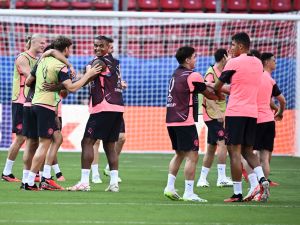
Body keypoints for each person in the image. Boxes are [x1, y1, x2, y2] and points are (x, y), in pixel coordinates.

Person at [24, 36, 101, 191]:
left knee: (54, 138)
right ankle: (31, 182)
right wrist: (88, 75)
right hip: (46, 106)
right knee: (44, 144)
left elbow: (28, 82)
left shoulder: (41, 61)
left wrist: (54, 87)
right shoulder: (61, 66)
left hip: (34, 104)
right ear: (66, 49)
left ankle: (41, 178)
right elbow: (71, 89)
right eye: (69, 49)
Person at [214, 32, 270, 202]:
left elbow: (218, 85)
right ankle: (262, 179)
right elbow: (241, 85)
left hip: (236, 111)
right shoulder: (258, 63)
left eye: (232, 45)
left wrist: (214, 90)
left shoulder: (234, 62)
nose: (230, 48)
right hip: (252, 113)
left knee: (234, 152)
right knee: (248, 150)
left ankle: (237, 193)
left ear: (240, 46)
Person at [163, 46, 222, 202]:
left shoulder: (175, 74)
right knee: (192, 155)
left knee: (179, 153)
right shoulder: (193, 75)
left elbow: (201, 86)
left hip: (171, 119)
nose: (196, 59)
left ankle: (169, 187)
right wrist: (219, 95)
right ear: (188, 59)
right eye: (194, 57)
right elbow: (207, 92)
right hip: (184, 120)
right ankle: (188, 193)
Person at [67, 36, 124, 192]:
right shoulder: (115, 62)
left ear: (108, 47)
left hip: (103, 107)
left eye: (101, 46)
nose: (97, 48)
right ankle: (113, 183)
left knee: (87, 142)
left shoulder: (99, 62)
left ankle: (85, 182)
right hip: (117, 107)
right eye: (95, 45)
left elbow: (87, 78)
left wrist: (69, 85)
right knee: (109, 145)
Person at [2, 34, 45, 182]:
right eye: (41, 43)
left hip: (32, 101)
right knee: (20, 138)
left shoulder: (37, 59)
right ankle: (7, 172)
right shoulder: (23, 58)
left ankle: (34, 172)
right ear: (33, 42)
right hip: (21, 101)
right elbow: (30, 77)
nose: (43, 45)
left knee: (34, 138)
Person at [92, 36, 126, 183]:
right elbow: (89, 77)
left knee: (121, 138)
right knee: (95, 141)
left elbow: (114, 79)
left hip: (115, 104)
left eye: (106, 46)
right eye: (97, 45)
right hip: (102, 103)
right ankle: (94, 173)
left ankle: (109, 169)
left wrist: (120, 83)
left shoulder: (115, 63)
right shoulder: (97, 62)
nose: (101, 48)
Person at [196, 48, 233, 188]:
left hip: (217, 113)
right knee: (223, 143)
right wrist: (218, 113)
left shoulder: (223, 73)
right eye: (228, 57)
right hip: (212, 115)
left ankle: (202, 179)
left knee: (211, 147)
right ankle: (221, 177)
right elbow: (208, 94)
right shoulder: (211, 73)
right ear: (224, 58)